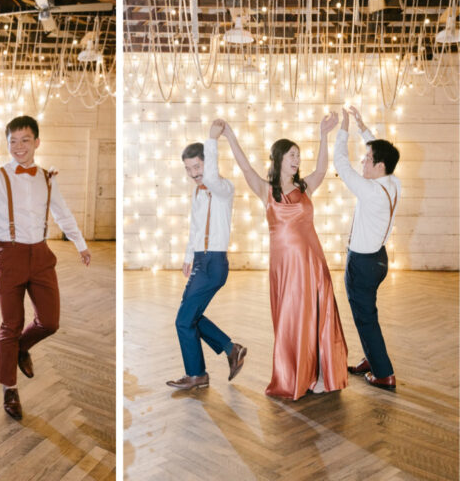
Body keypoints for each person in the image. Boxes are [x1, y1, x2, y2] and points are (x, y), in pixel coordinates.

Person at [0, 115, 91, 419]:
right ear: (7, 143)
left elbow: (62, 212)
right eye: (13, 141)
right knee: (10, 325)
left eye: (25, 140)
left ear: (37, 142)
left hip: (41, 255)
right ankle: (9, 390)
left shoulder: (48, 177)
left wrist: (80, 242)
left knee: (50, 322)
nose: (18, 146)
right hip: (10, 255)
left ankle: (21, 348)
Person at [224, 115, 349, 400]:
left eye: (298, 156)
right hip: (285, 269)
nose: (296, 160)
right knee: (293, 321)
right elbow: (245, 167)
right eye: (292, 155)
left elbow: (322, 168)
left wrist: (323, 136)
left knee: (317, 318)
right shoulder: (266, 191)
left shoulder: (305, 187)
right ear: (279, 158)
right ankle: (295, 376)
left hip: (313, 264)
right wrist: (230, 134)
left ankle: (319, 375)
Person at [165, 119, 247, 391]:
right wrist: (189, 256)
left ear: (208, 163)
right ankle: (230, 349)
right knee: (191, 315)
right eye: (189, 169)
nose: (194, 174)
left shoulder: (223, 188)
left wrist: (213, 139)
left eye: (197, 167)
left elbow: (211, 177)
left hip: (213, 263)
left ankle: (197, 374)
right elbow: (195, 227)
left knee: (183, 320)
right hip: (201, 260)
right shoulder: (197, 193)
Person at [334, 106, 401, 391]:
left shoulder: (370, 190)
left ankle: (383, 373)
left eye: (368, 159)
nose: (363, 160)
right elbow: (378, 150)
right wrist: (363, 129)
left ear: (379, 166)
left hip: (362, 264)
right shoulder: (393, 182)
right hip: (378, 260)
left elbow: (340, 164)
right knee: (366, 314)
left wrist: (344, 128)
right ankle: (372, 359)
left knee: (365, 317)